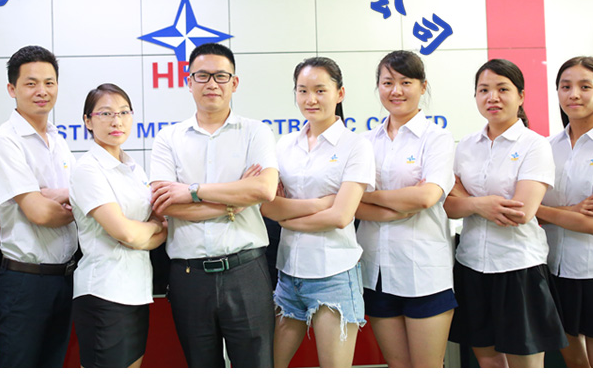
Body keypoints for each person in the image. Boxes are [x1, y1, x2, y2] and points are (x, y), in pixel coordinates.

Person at [149, 42, 279, 368]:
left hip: (246, 271)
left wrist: (192, 191)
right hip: (189, 276)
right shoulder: (168, 138)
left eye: (221, 76)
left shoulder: (256, 132)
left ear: (234, 83)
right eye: (202, 75)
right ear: (188, 81)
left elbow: (264, 189)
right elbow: (164, 204)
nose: (212, 84)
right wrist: (234, 201)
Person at [445, 58, 567, 368]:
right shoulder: (466, 145)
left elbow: (521, 212)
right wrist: (480, 204)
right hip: (471, 264)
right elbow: (448, 205)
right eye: (484, 90)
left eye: (502, 89)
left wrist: (468, 200)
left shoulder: (535, 146)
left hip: (519, 267)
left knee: (525, 367)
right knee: (489, 361)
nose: (492, 97)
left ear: (521, 96)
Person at [261, 57, 374, 368]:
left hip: (334, 274)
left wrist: (286, 217)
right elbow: (268, 206)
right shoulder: (284, 145)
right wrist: (319, 204)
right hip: (288, 273)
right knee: (268, 367)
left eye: (320, 90)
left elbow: (341, 217)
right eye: (303, 90)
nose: (311, 99)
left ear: (340, 93)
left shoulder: (356, 146)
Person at [355, 50, 457, 368]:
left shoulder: (437, 138)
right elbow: (350, 203)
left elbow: (427, 197)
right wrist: (399, 201)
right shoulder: (363, 142)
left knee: (427, 368)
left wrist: (371, 196)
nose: (396, 91)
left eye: (406, 82)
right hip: (376, 271)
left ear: (422, 86)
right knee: (397, 368)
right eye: (388, 82)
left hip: (424, 271)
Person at [0, 45, 78, 368]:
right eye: (31, 83)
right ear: (12, 89)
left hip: (65, 278)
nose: (42, 91)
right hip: (26, 282)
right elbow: (39, 213)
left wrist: (56, 194)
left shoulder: (58, 140)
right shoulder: (5, 142)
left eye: (49, 83)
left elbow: (69, 199)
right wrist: (72, 202)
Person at [70, 84, 167, 368]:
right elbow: (125, 233)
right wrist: (151, 227)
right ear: (88, 121)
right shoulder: (88, 169)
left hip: (136, 290)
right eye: (106, 113)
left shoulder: (134, 168)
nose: (117, 121)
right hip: (103, 292)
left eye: (124, 112)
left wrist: (146, 231)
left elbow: (159, 230)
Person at [536, 56, 593, 367]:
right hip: (553, 267)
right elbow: (527, 211)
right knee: (575, 365)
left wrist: (539, 210)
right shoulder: (546, 146)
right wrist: (570, 212)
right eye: (565, 87)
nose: (574, 94)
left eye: (585, 86)